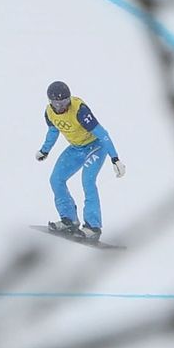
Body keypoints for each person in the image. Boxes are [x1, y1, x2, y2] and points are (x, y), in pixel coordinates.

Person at [37, 81, 124, 241]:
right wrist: (45, 150)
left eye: (64, 102)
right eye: (56, 103)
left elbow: (102, 133)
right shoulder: (50, 112)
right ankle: (69, 219)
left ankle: (93, 227)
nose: (61, 106)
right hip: (76, 148)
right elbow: (53, 130)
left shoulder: (79, 110)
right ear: (50, 102)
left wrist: (115, 158)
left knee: (88, 181)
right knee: (56, 179)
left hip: (95, 146)